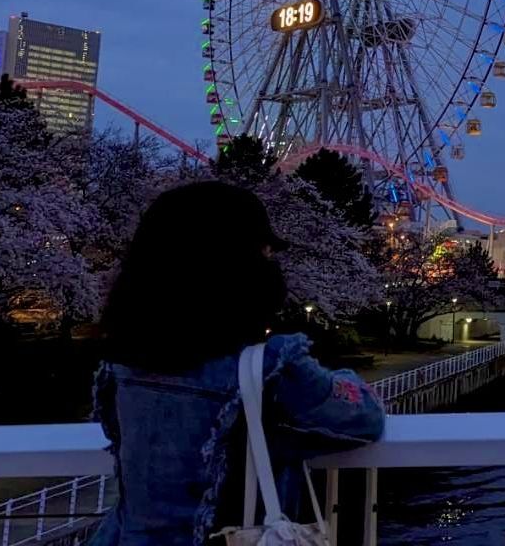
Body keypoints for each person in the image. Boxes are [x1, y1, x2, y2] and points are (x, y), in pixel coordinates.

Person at [90, 180, 385, 544]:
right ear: (238, 267)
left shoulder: (123, 363)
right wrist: (343, 378)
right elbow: (362, 418)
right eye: (264, 252)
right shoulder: (268, 366)